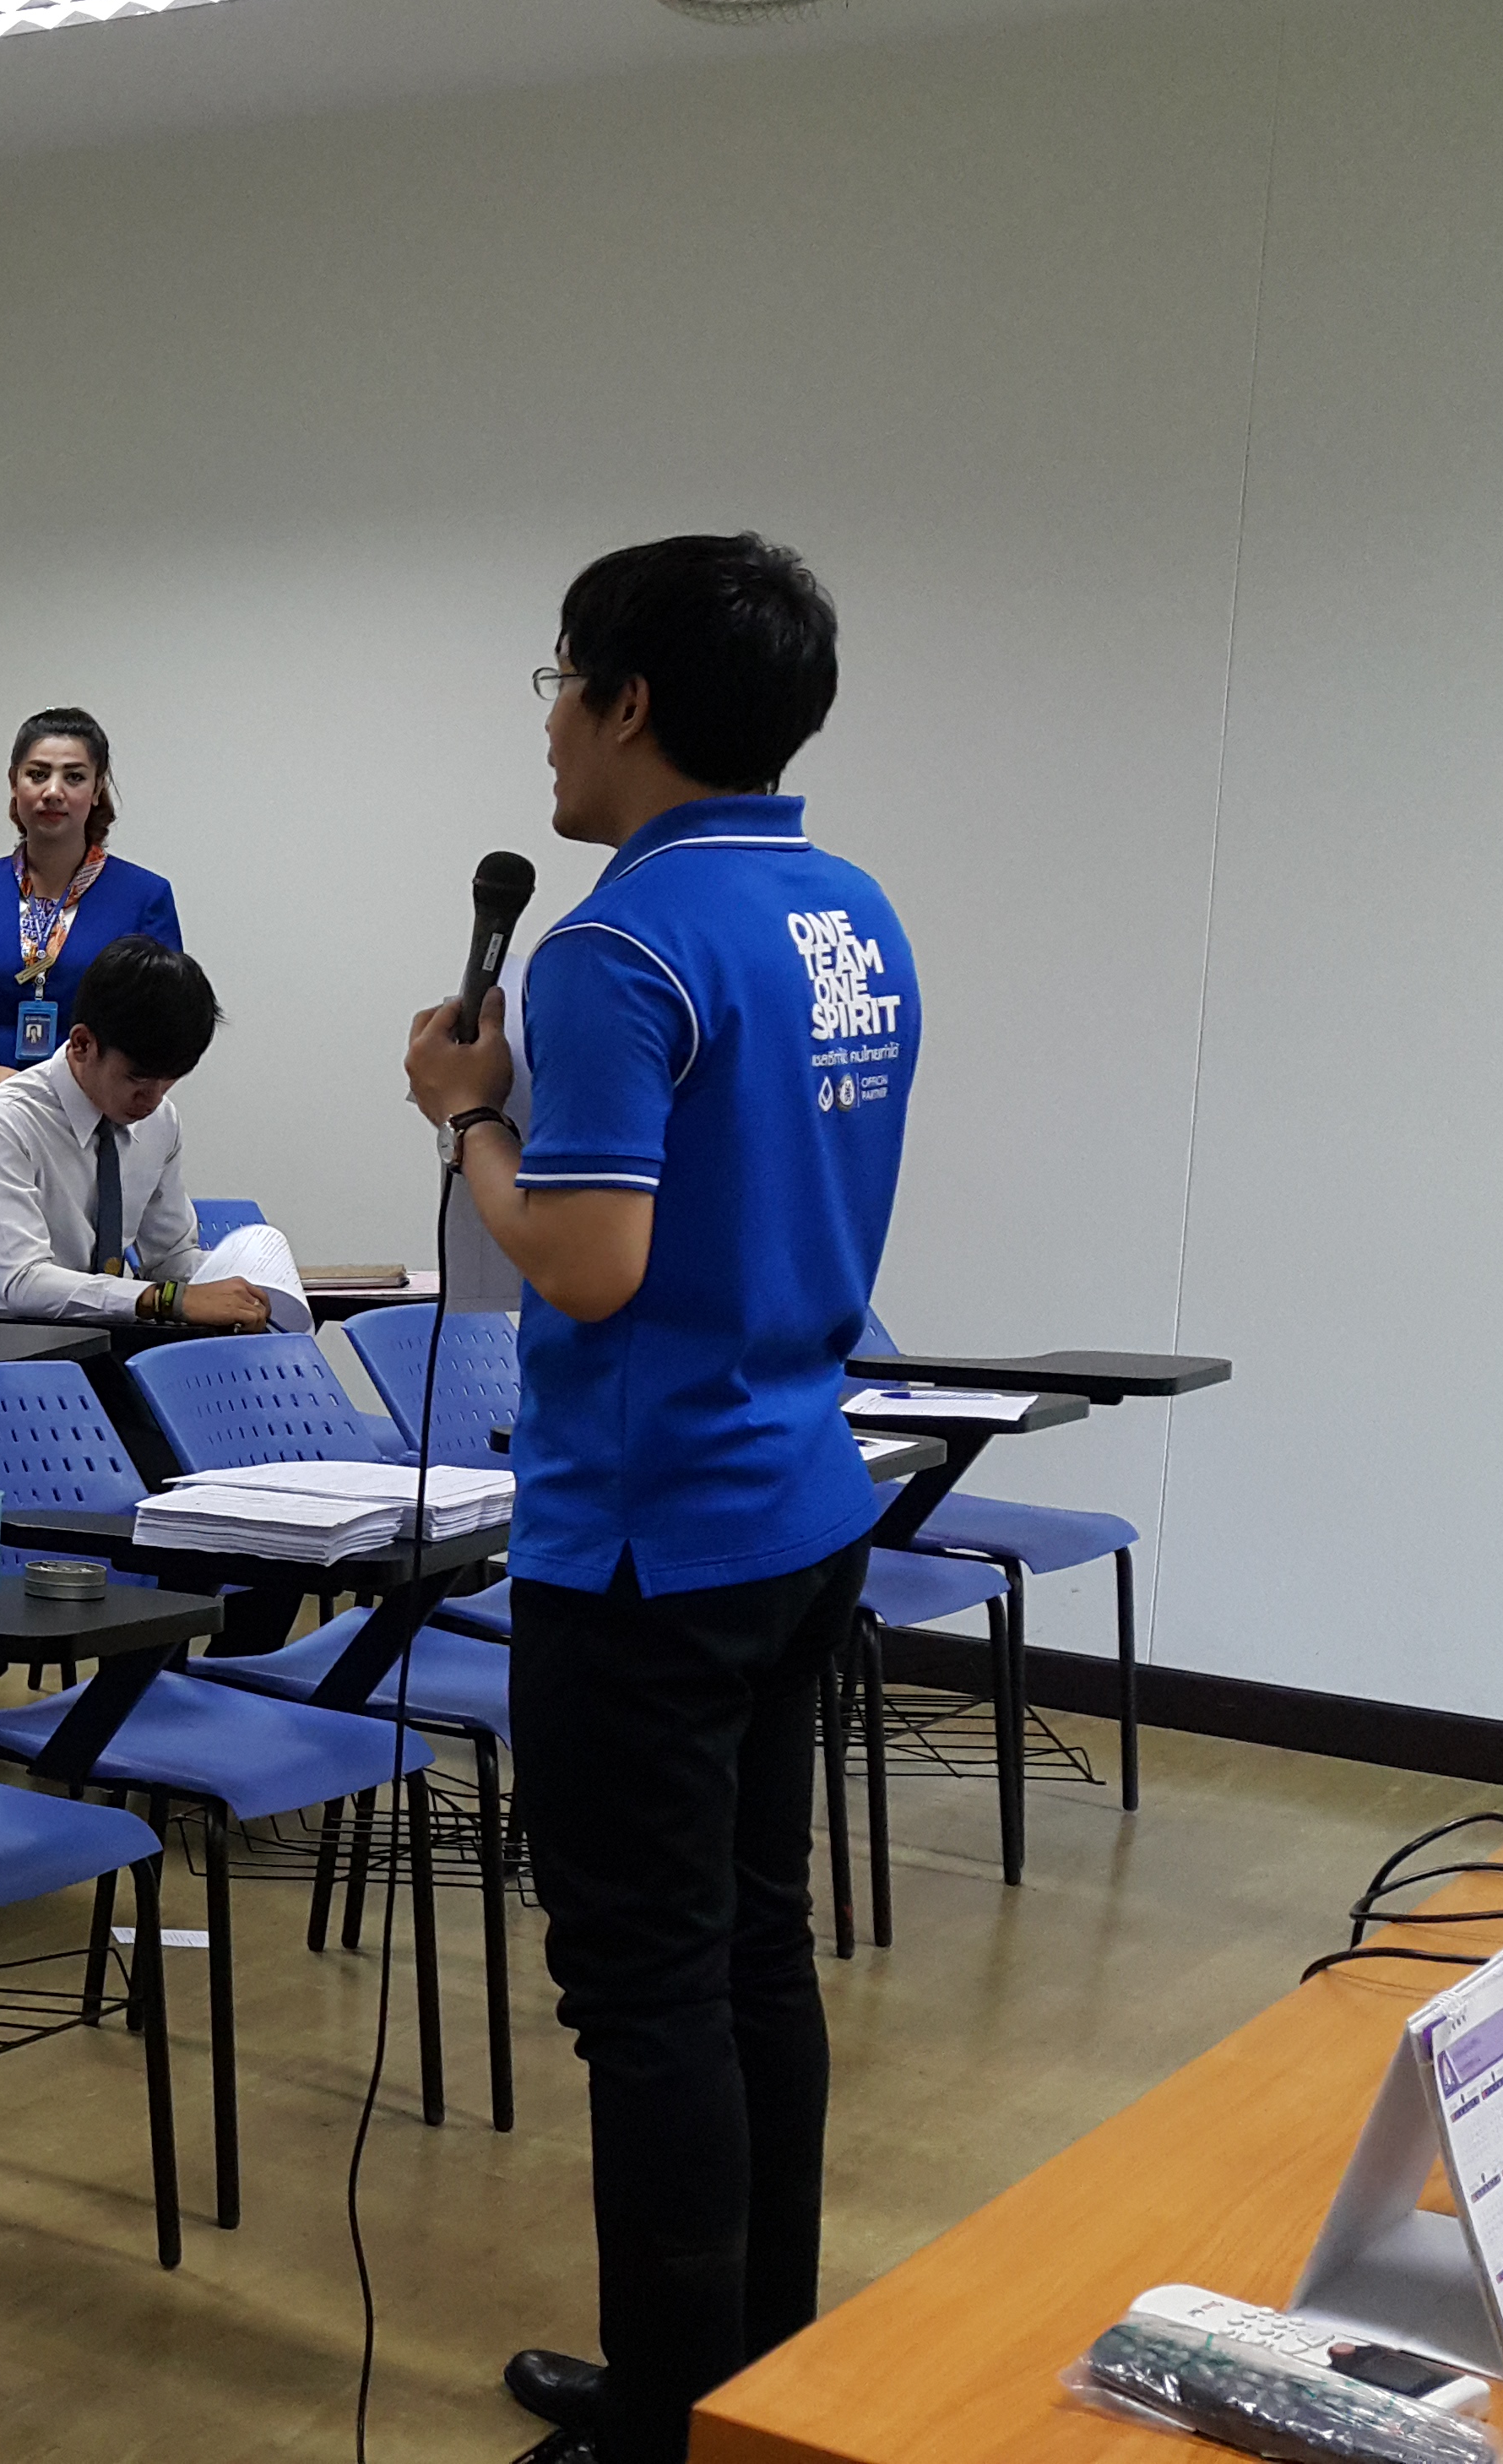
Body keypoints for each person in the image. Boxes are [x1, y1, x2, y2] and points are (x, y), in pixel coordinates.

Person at [395, 535, 914, 2464]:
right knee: (752, 1946)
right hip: (799, 1501)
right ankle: (751, 2378)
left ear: (623, 701)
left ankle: (663, 2421)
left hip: (643, 1537)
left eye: (557, 678)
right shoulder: (848, 910)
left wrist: (466, 1111)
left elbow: (588, 1260)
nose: (545, 719)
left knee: (644, 1990)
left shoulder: (613, 945)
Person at [0, 708, 186, 1213]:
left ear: (97, 789)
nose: (53, 791)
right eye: (37, 774)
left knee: (84, 1262)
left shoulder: (144, 896)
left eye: (73, 777)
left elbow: (165, 1025)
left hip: (96, 1128)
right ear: (14, 783)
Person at [0, 931, 300, 1333]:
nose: (152, 1100)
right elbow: (25, 1282)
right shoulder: (1, 1123)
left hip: (121, 1339)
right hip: (11, 1349)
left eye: (170, 1081)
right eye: (138, 1079)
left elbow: (170, 1260)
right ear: (83, 1044)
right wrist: (167, 1300)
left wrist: (252, 1287)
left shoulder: (160, 1121)